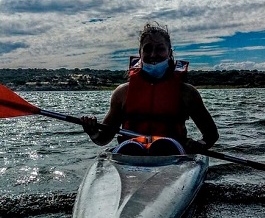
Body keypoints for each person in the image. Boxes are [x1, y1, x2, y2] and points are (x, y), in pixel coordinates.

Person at [81, 22, 219, 155]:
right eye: (147, 49)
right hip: (130, 152)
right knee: (131, 148)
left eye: (160, 49)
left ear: (169, 52)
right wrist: (92, 132)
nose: (153, 55)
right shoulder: (121, 93)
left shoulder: (187, 93)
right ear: (140, 53)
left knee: (164, 147)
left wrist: (201, 144)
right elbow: (103, 139)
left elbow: (211, 135)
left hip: (172, 153)